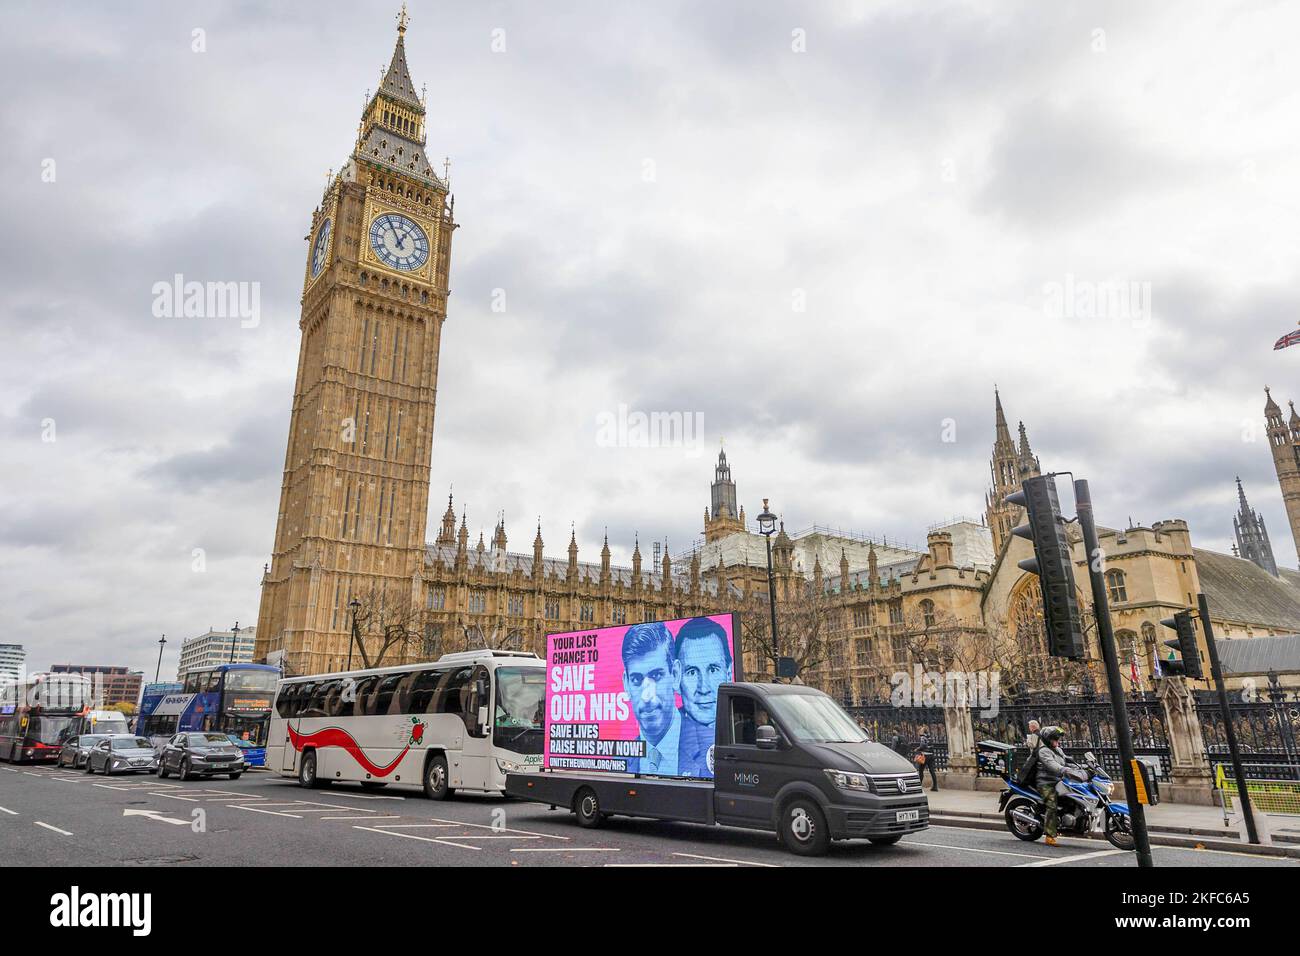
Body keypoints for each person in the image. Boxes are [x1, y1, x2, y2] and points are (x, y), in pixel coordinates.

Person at [673, 617, 733, 777]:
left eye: (713, 670)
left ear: (728, 673)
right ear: (677, 678)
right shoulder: (667, 741)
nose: (703, 688)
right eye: (692, 672)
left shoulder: (741, 728)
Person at [621, 622, 682, 776]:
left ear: (675, 675)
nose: (647, 696)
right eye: (636, 679)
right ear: (626, 684)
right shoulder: (619, 760)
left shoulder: (710, 749)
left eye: (656, 676)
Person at [1035, 726, 1070, 846]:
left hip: (1058, 781)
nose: (1057, 741)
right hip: (1046, 782)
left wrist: (1082, 768)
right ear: (1047, 739)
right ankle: (1050, 836)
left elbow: (1066, 761)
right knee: (1052, 804)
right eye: (1055, 739)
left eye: (1058, 739)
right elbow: (1052, 765)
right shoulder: (1043, 751)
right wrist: (1064, 769)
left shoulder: (1058, 750)